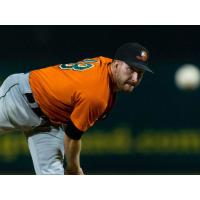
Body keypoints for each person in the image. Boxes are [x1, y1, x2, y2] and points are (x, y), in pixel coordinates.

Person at [0, 42, 153, 175]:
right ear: (117, 64)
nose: (134, 78)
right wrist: (74, 168)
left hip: (50, 123)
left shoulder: (107, 67)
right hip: (20, 98)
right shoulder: (96, 94)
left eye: (140, 73)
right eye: (131, 69)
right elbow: (72, 135)